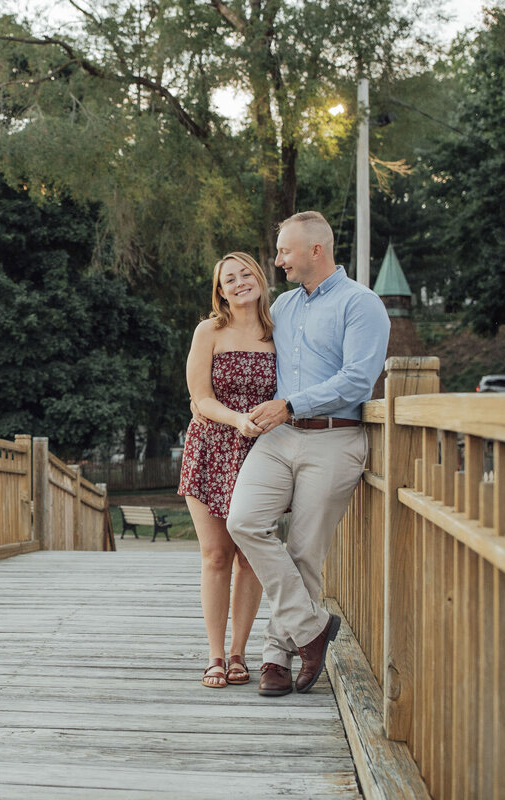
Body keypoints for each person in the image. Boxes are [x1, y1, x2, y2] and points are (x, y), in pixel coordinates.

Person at [226, 211, 390, 697]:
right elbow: (240, 338)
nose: (277, 261)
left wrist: (293, 403)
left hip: (336, 438)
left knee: (303, 552)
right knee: (244, 521)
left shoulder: (363, 305)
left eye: (284, 252)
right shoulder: (284, 306)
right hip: (278, 438)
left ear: (316, 250)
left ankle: (276, 656)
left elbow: (360, 379)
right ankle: (313, 629)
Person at [178, 251, 277, 689]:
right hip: (212, 448)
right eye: (229, 279)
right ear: (220, 291)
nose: (239, 283)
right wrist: (238, 420)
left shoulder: (279, 332)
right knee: (216, 555)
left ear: (260, 277)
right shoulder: (209, 331)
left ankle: (240, 652)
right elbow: (200, 398)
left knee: (250, 557)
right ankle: (215, 656)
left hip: (263, 455)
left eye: (246, 274)